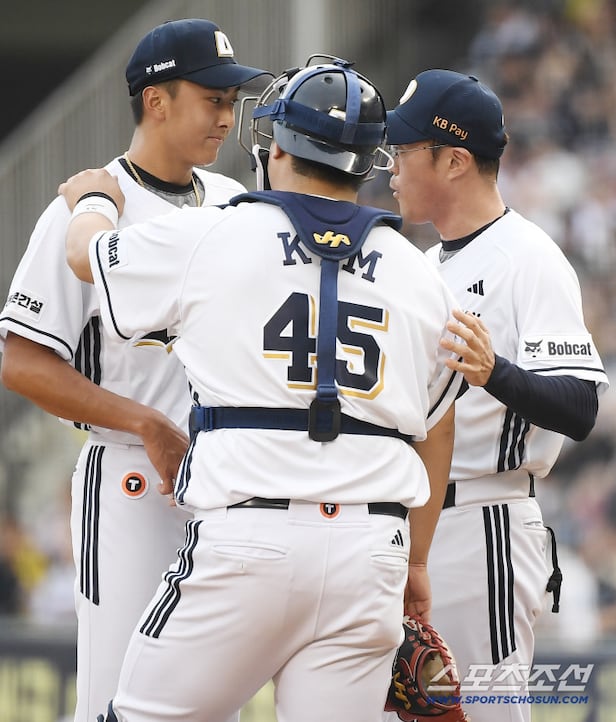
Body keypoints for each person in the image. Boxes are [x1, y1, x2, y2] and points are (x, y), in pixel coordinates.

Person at [59, 57, 464, 722]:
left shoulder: (213, 233)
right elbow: (438, 425)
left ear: (277, 149)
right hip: (372, 552)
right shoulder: (422, 277)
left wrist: (94, 202)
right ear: (367, 162)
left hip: (248, 537)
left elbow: (86, 256)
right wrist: (416, 564)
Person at [0, 18, 270, 722]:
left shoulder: (233, 203)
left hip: (224, 481)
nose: (227, 115)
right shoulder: (86, 209)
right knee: (118, 695)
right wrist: (144, 422)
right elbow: (21, 362)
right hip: (131, 478)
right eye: (212, 98)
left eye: (231, 100)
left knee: (212, 701)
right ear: (156, 100)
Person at [385, 68, 610, 722]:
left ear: (454, 160)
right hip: (414, 525)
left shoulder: (528, 258)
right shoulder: (423, 265)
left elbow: (581, 407)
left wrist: (497, 373)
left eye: (405, 149)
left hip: (484, 519)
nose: (391, 167)